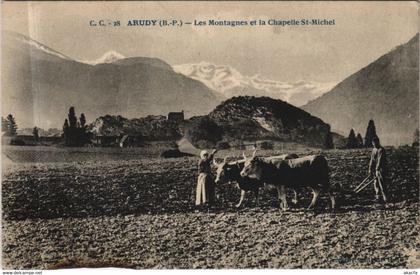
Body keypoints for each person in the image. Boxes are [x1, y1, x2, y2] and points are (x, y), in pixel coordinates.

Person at [368, 136, 388, 203]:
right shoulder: (374, 150)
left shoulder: (381, 150)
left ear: (378, 142)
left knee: (382, 183)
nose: (374, 144)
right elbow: (372, 160)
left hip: (381, 169)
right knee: (375, 183)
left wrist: (377, 169)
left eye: (375, 143)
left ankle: (385, 198)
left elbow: (380, 160)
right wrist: (370, 169)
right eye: (373, 143)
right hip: (375, 169)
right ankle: (378, 197)